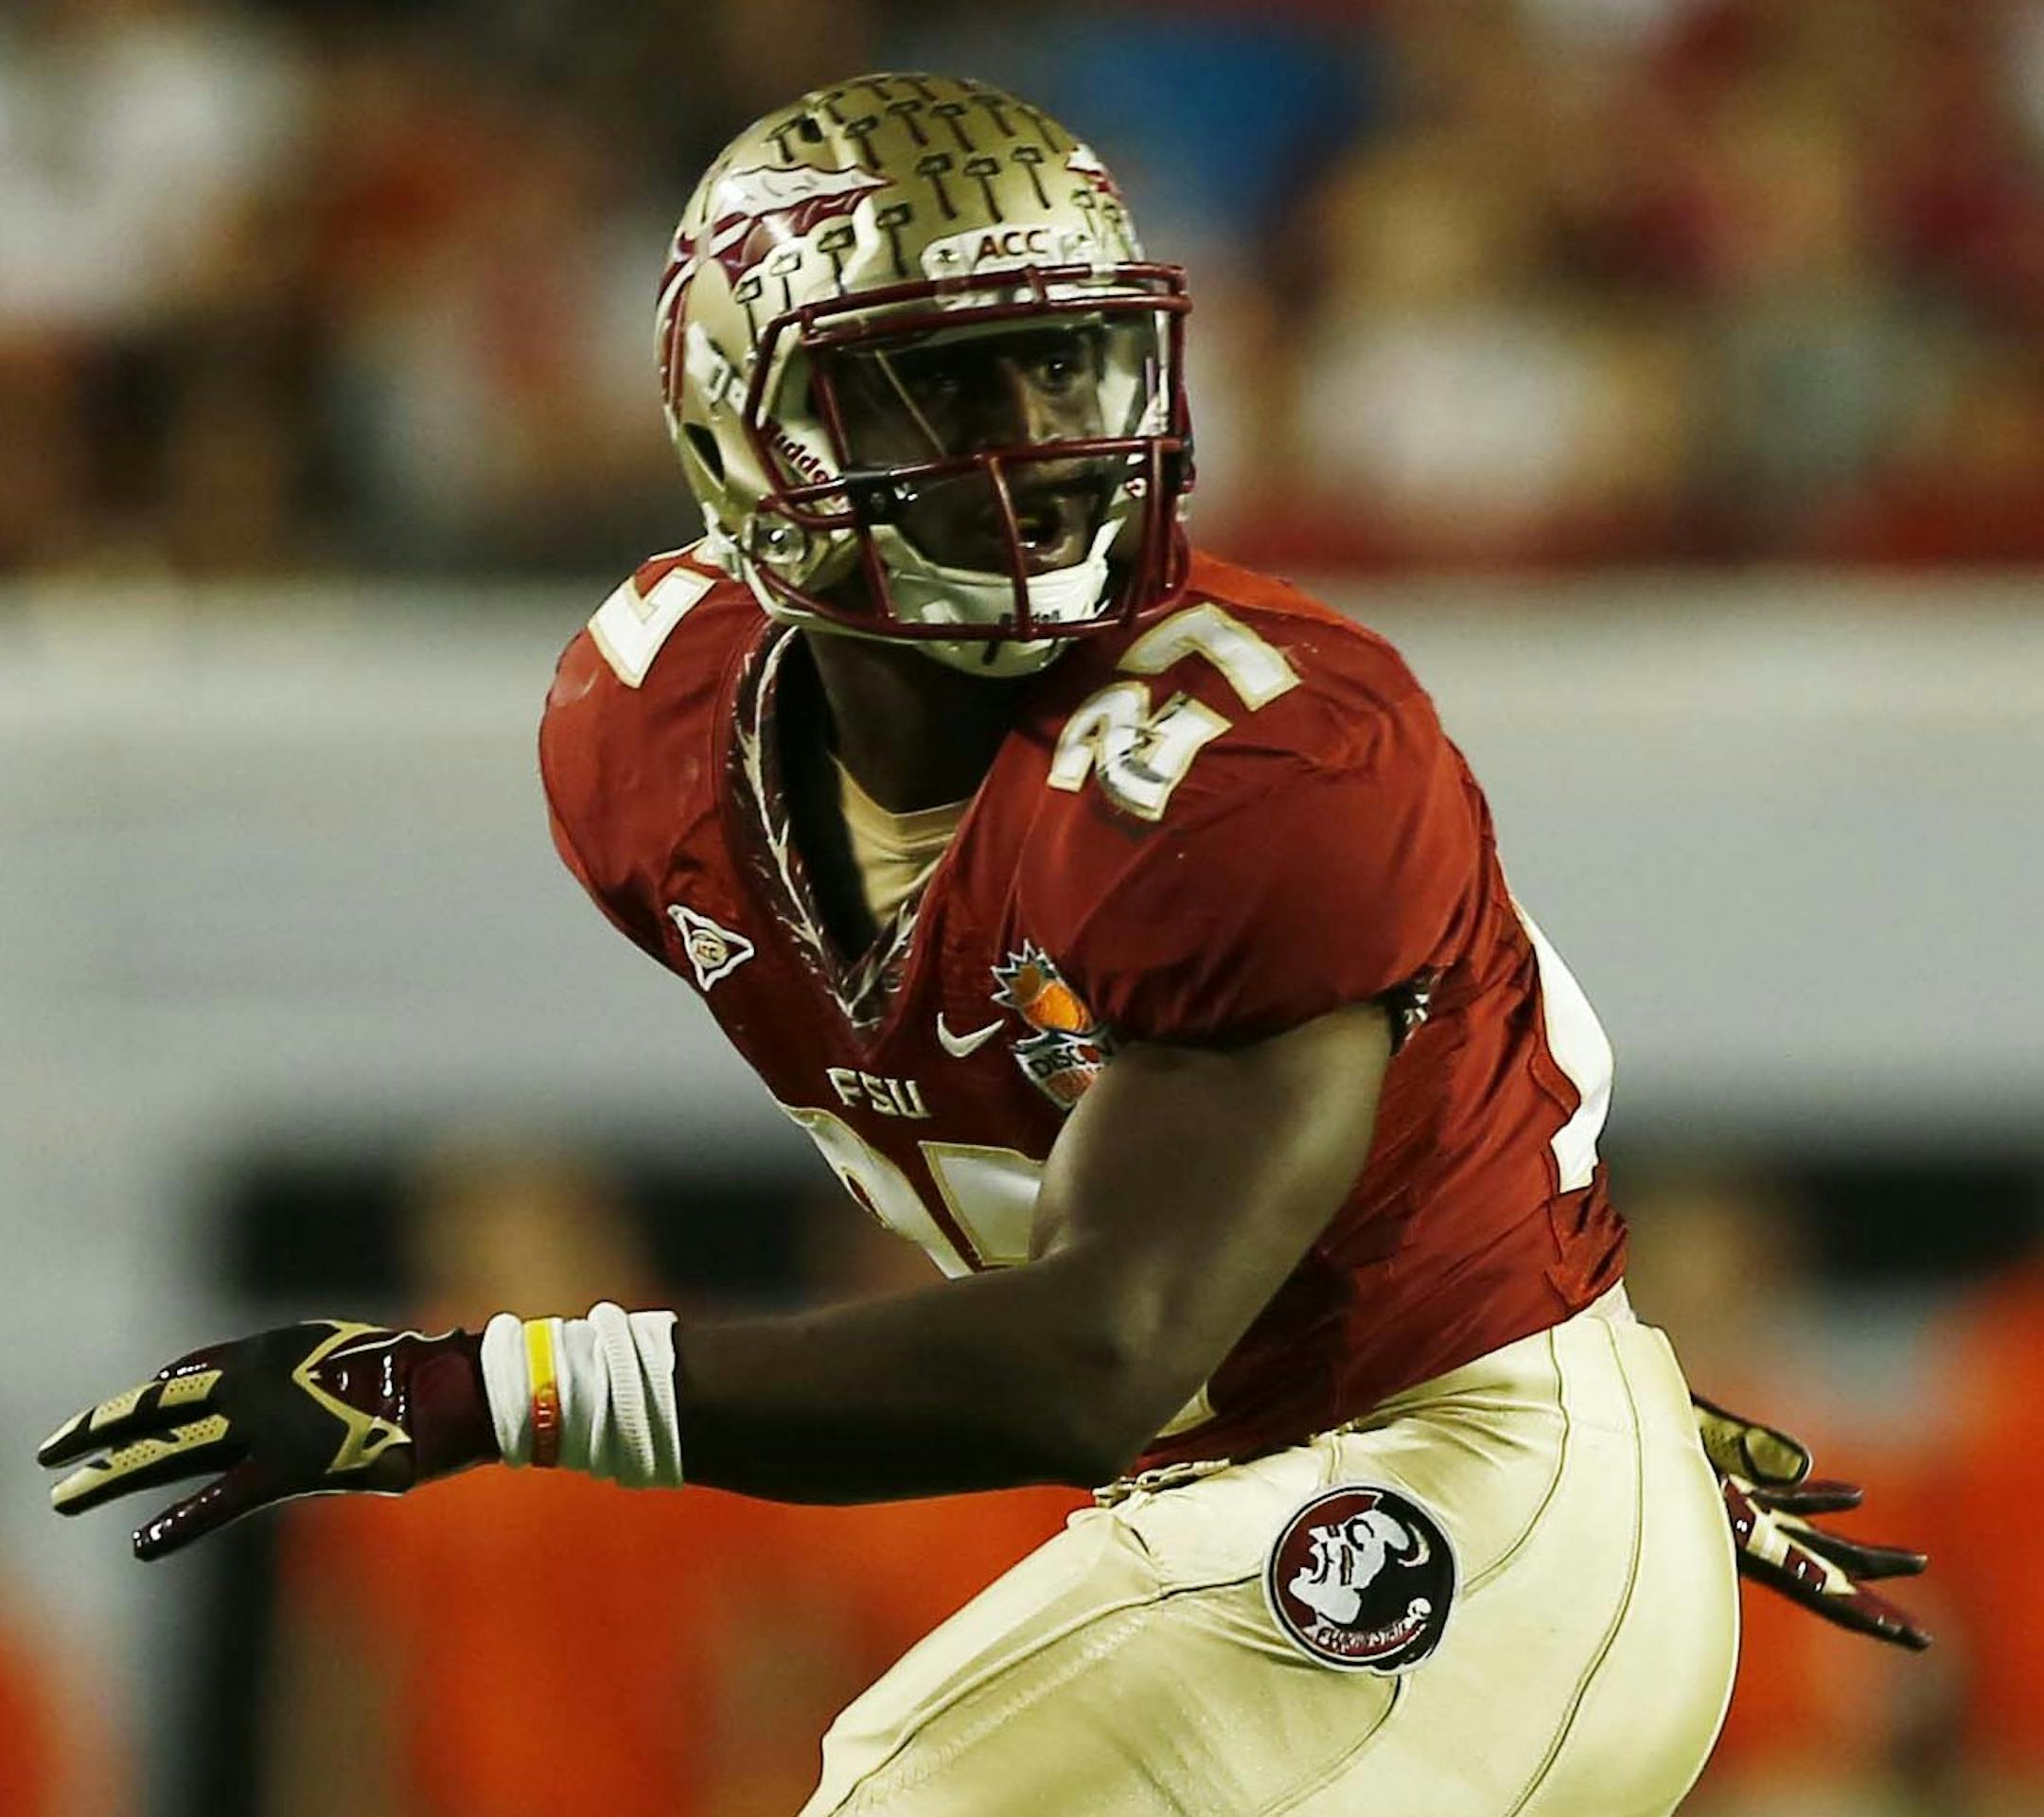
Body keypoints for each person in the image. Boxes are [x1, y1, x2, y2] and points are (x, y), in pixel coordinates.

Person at [40, 73, 1926, 1815]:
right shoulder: (643, 737)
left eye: (1064, 369)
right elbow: (1181, 1181)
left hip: (1435, 1477)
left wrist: (476, 1389)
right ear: (737, 418)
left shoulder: (1258, 757)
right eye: (939, 389)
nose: (1024, 448)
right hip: (1287, 1468)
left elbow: (1095, 1346)